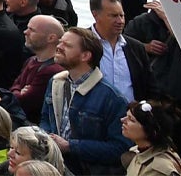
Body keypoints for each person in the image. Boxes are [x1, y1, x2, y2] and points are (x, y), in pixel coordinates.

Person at [39, 26, 131, 173]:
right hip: (54, 167)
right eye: (60, 42)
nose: (59, 47)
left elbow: (120, 148)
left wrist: (70, 146)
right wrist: (46, 137)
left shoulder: (113, 98)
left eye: (67, 45)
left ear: (85, 56)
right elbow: (45, 118)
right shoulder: (55, 82)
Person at [123, 98, 181, 176]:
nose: (123, 120)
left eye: (131, 120)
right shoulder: (137, 152)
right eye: (126, 116)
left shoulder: (159, 169)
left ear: (149, 131)